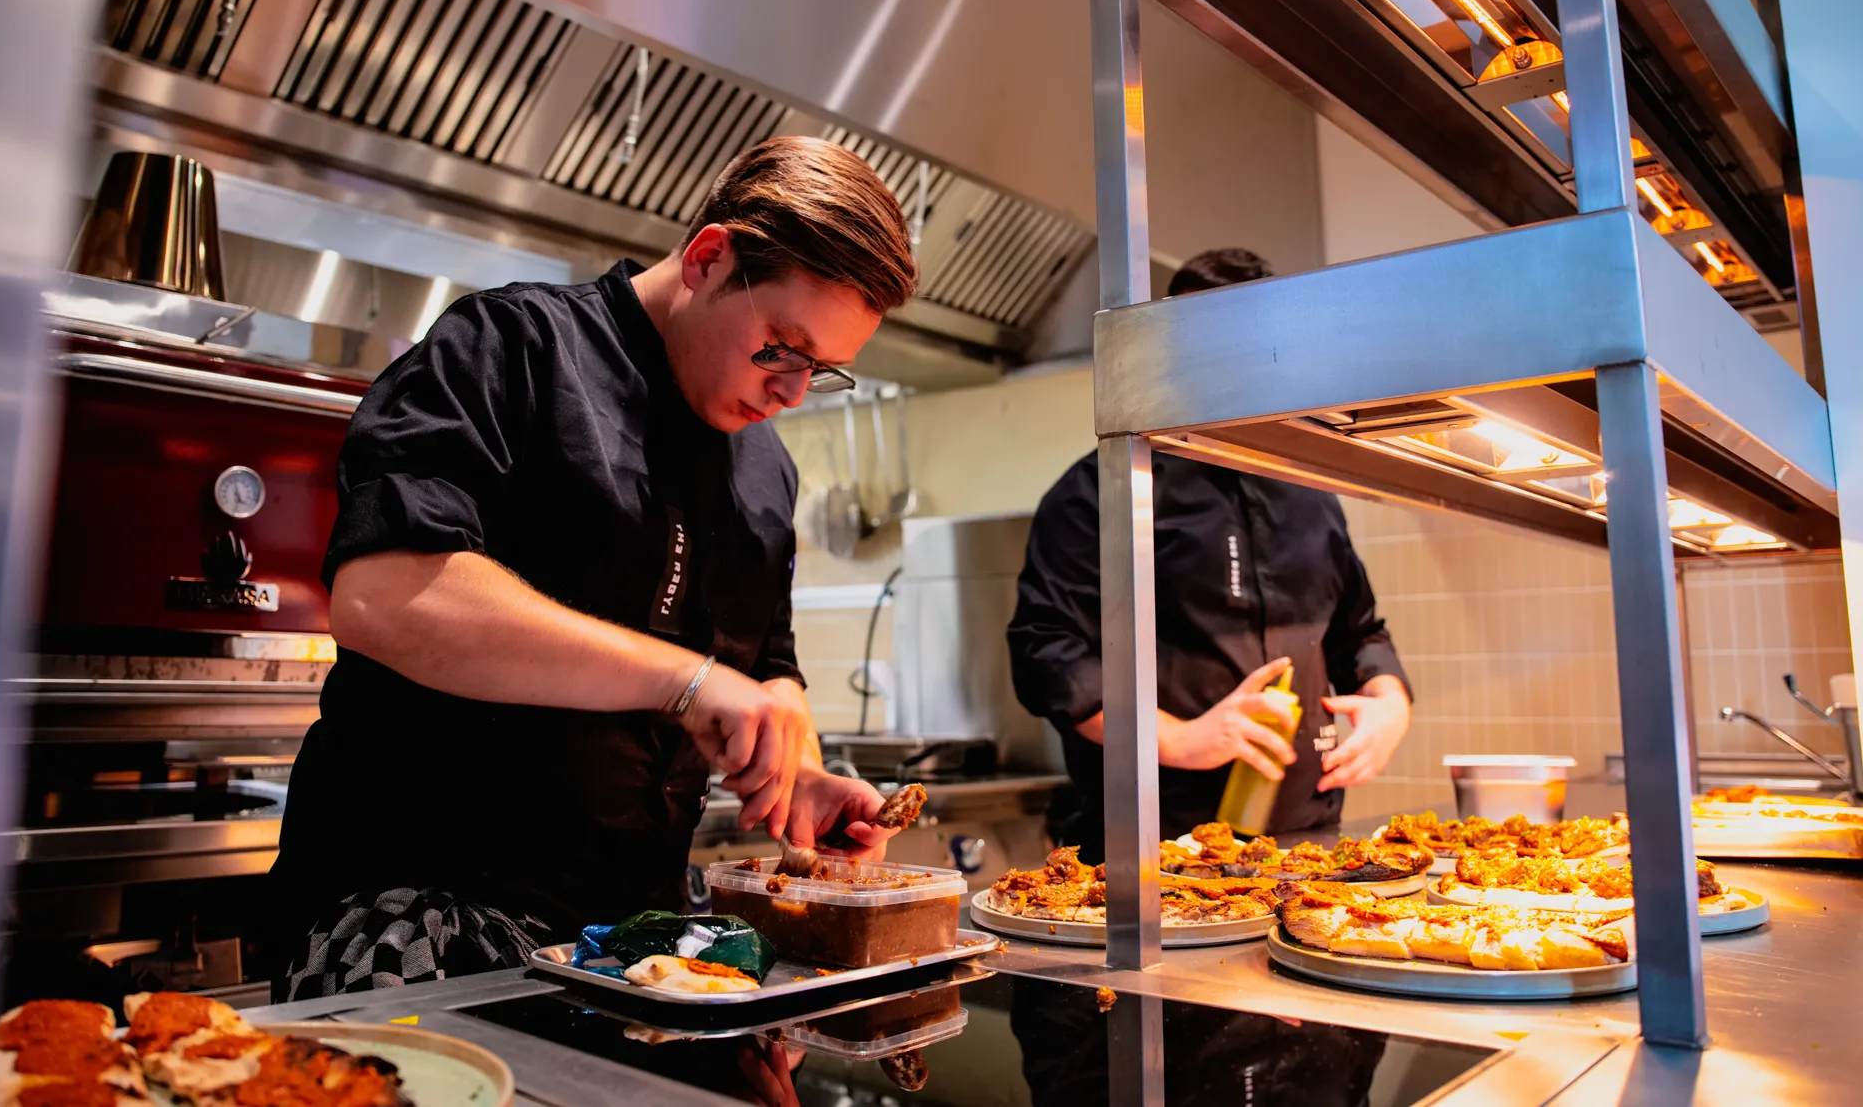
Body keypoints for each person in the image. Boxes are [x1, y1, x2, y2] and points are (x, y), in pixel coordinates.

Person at [273, 136, 917, 996]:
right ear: (708, 257)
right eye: (779, 348)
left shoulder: (766, 470)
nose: (792, 391)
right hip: (417, 920)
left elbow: (768, 672)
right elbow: (384, 595)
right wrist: (686, 681)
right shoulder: (511, 346)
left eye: (822, 369)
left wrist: (796, 779)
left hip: (624, 952)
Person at [1008, 248, 1411, 860]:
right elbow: (1048, 652)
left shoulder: (1309, 489)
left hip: (1307, 845)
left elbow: (1359, 632)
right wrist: (1182, 739)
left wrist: (1389, 705)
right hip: (1155, 853)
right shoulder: (1104, 491)